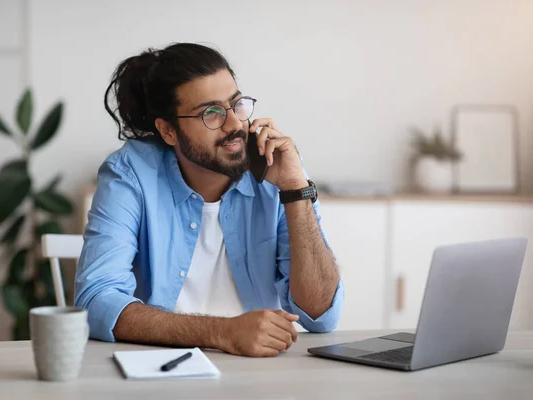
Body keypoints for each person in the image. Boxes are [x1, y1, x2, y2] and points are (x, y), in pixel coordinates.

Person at [75, 43, 344, 357]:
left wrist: (296, 189)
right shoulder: (131, 174)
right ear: (168, 131)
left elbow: (321, 315)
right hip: (159, 369)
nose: (234, 125)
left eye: (236, 104)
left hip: (259, 372)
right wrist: (222, 332)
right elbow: (96, 300)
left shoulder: (278, 168)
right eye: (211, 113)